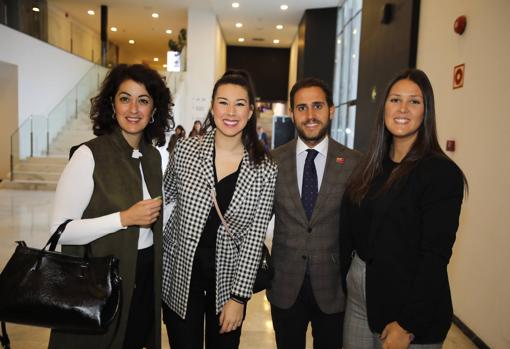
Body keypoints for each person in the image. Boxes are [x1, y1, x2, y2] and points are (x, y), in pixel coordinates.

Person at [339, 69, 467, 349]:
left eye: (414, 101)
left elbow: (435, 256)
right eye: (395, 100)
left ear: (427, 111)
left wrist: (408, 323)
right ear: (384, 106)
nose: (403, 109)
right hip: (360, 301)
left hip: (408, 310)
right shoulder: (369, 167)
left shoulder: (441, 174)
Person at [48, 64, 172, 349]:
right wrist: (124, 218)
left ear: (154, 110)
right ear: (112, 104)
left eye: (143, 100)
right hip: (100, 284)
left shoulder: (153, 158)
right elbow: (60, 231)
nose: (133, 108)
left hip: (144, 278)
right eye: (125, 98)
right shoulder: (88, 155)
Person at [161, 69, 277, 349]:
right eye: (223, 102)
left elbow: (254, 238)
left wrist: (239, 298)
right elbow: (166, 200)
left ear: (250, 111)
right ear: (212, 107)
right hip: (180, 274)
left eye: (240, 104)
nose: (231, 111)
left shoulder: (265, 167)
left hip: (228, 280)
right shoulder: (186, 150)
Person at [268, 77, 361, 349]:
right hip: (285, 286)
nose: (310, 115)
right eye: (301, 107)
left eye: (317, 106)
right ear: (291, 112)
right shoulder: (272, 161)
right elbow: (255, 221)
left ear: (331, 110)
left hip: (334, 289)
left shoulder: (355, 163)